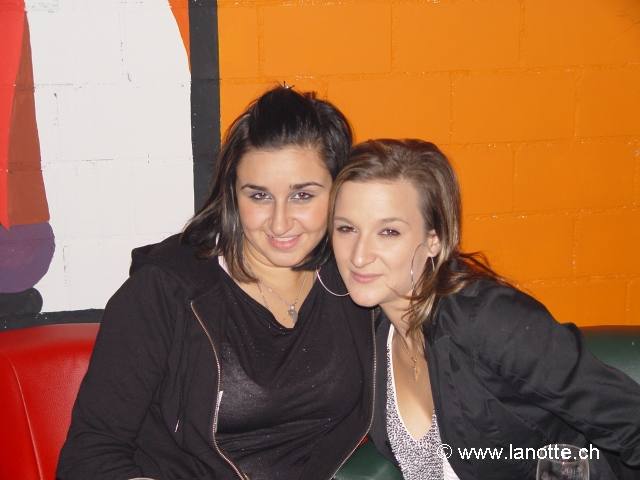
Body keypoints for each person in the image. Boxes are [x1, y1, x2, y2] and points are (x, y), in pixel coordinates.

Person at [57, 86, 376, 480]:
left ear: (338, 192)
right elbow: (88, 459)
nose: (280, 223)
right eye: (259, 196)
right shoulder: (165, 291)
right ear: (232, 194)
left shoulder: (354, 278)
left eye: (302, 196)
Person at [329, 139, 640, 480]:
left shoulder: (489, 320)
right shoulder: (367, 329)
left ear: (434, 239)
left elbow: (629, 421)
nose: (359, 255)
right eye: (346, 228)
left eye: (388, 232)